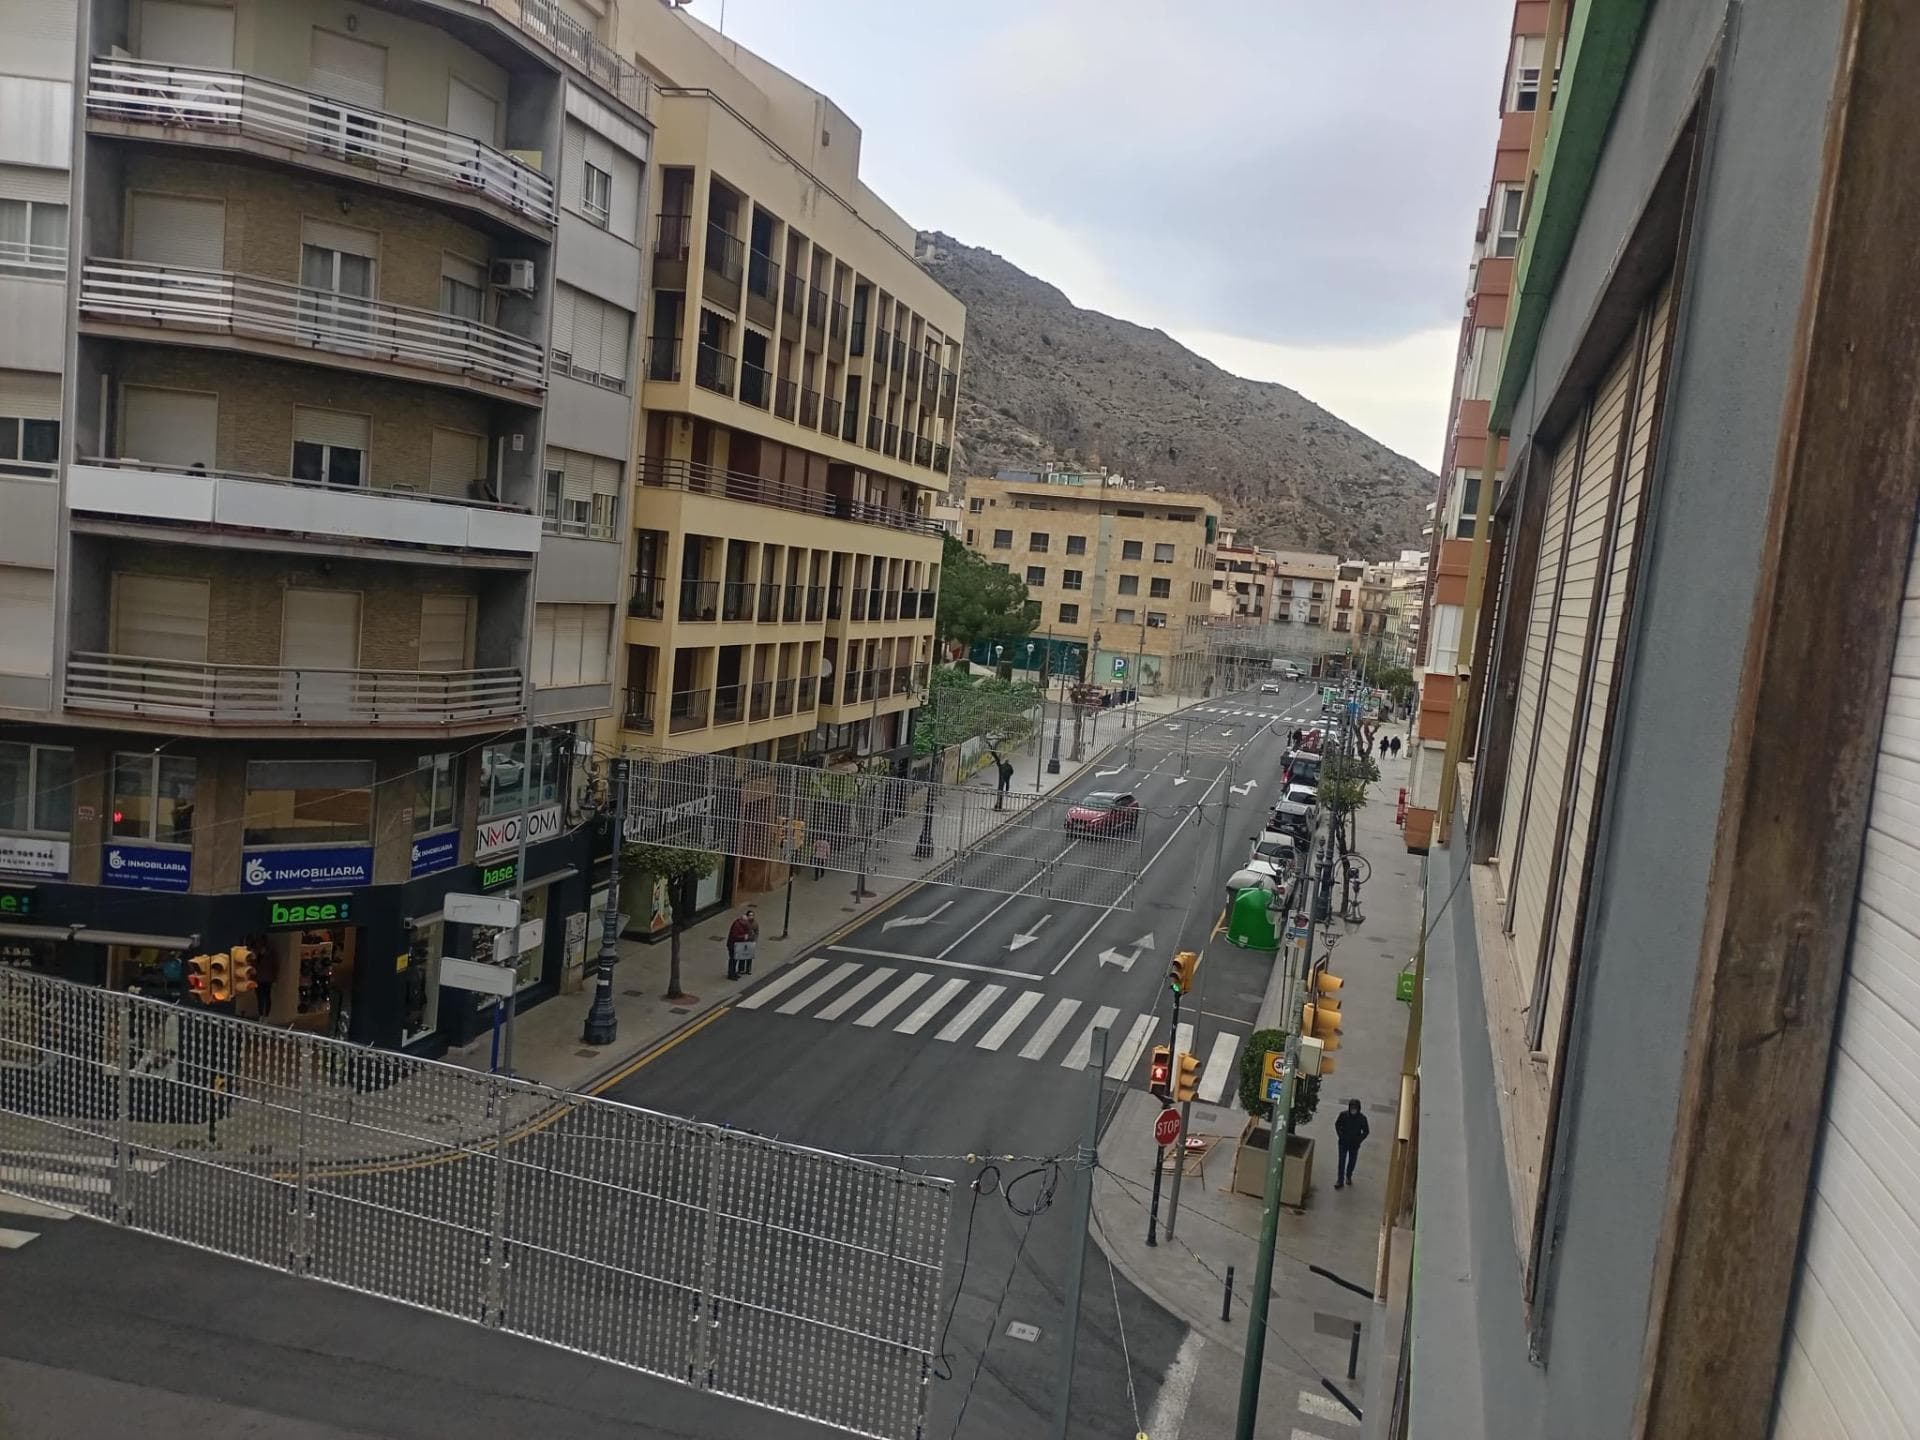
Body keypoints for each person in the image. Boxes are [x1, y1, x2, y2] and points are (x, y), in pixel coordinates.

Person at [1334, 1098, 1370, 1189]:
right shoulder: (1343, 1115)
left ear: (1358, 1108)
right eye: (1352, 1107)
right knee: (1341, 1161)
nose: (1353, 1109)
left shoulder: (1362, 1119)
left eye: (1355, 1108)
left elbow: (1366, 1131)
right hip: (1343, 1143)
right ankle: (1340, 1180)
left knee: (1352, 1161)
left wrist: (1359, 1140)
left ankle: (1349, 1175)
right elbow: (1337, 1125)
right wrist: (1340, 1135)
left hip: (1354, 1144)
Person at [726, 906, 759, 980]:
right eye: (746, 921)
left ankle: (734, 973)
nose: (747, 922)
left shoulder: (743, 924)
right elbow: (735, 936)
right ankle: (731, 974)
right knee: (733, 960)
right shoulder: (737, 925)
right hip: (733, 945)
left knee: (735, 959)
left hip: (737, 945)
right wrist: (744, 937)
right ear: (743, 920)